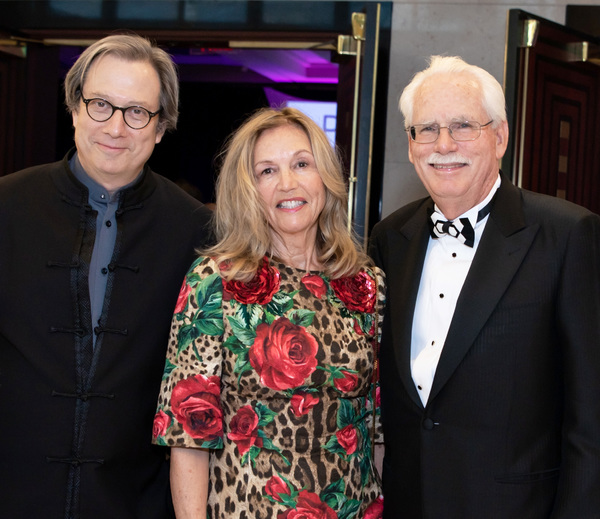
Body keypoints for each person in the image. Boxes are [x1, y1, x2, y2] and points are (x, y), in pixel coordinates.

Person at [368, 54, 600, 518]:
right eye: (426, 129)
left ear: (500, 137)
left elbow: (591, 417)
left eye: (463, 126)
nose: (444, 144)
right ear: (411, 145)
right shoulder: (389, 238)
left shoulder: (567, 234)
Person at [0, 34, 213, 518]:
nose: (116, 127)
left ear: (161, 128)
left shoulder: (198, 233)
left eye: (137, 112)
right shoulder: (7, 207)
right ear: (74, 107)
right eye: (100, 105)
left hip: (133, 499)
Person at [152, 107, 386, 519]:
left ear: (326, 178)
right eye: (267, 171)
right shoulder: (216, 280)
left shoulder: (366, 285)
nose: (288, 183)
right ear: (248, 188)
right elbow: (188, 435)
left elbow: (377, 427)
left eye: (301, 164)